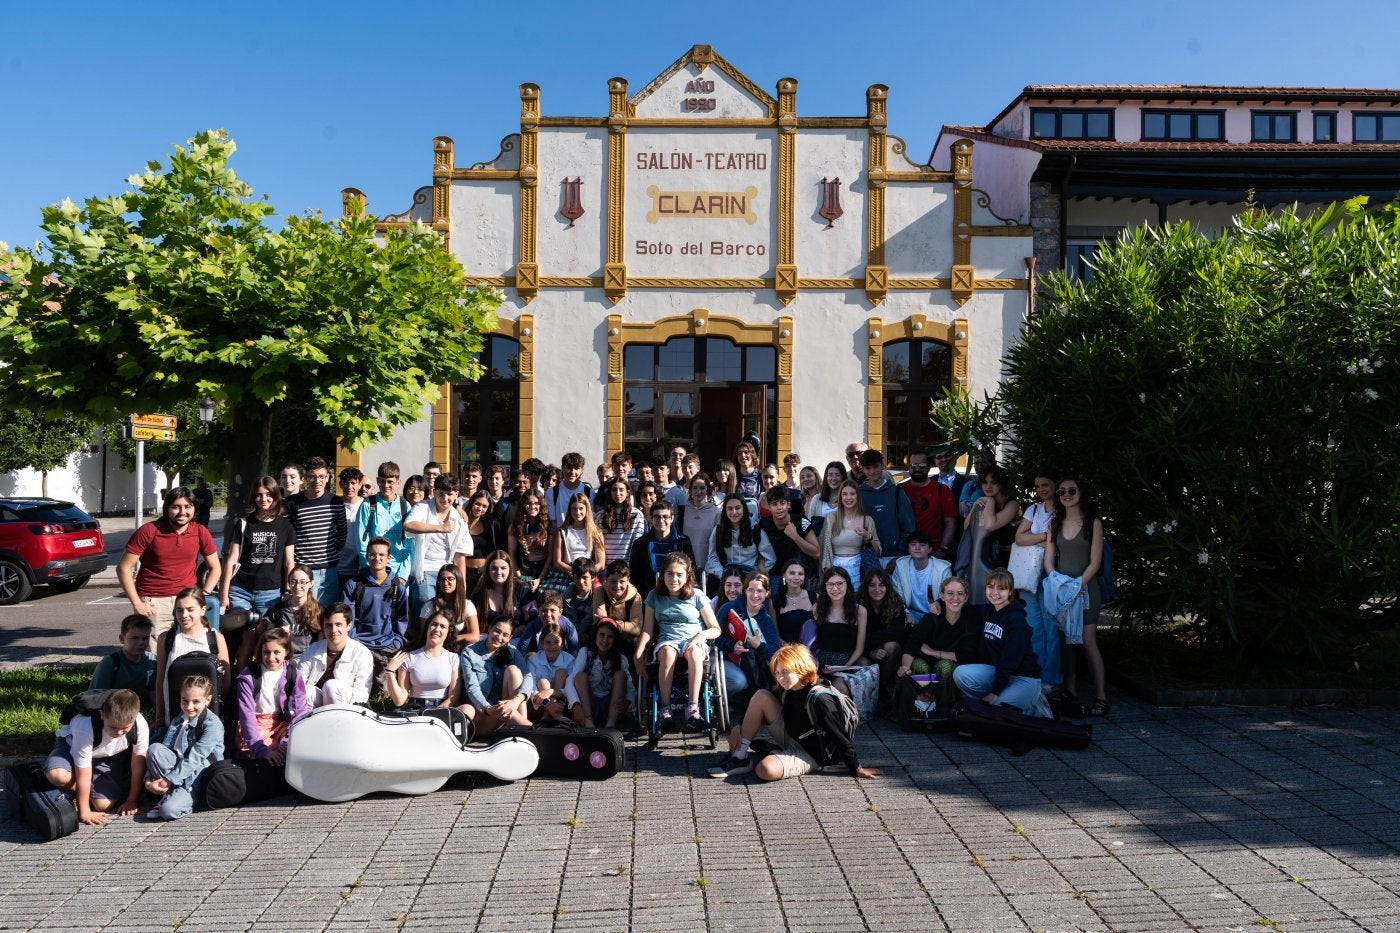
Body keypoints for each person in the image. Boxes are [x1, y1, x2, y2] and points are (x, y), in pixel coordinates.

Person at [708, 644, 878, 781]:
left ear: (800, 667)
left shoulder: (821, 699)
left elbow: (840, 735)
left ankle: (777, 753)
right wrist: (739, 726)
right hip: (792, 733)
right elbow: (761, 704)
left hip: (812, 752)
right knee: (761, 695)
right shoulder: (787, 687)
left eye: (785, 671)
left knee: (764, 770)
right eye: (777, 673)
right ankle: (740, 756)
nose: (781, 677)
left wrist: (855, 767)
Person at [118, 487, 222, 639]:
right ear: (167, 508)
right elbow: (123, 568)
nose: (182, 512)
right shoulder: (149, 531)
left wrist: (203, 595)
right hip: (154, 603)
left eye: (188, 507)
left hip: (188, 600)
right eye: (176, 507)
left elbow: (215, 568)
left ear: (194, 508)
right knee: (155, 656)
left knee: (187, 653)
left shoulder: (200, 531)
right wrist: (137, 603)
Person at [636, 551, 721, 733]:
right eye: (670, 573)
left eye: (679, 574)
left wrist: (701, 636)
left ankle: (693, 709)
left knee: (695, 651)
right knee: (667, 652)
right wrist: (637, 654)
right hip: (667, 641)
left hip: (694, 640)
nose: (674, 578)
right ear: (663, 574)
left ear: (687, 576)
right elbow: (647, 630)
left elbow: (716, 628)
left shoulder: (697, 595)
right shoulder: (654, 596)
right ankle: (665, 710)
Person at [1044, 475, 1107, 716]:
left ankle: (1101, 695)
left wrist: (1078, 584)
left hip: (1086, 588)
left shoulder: (1093, 523)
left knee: (1088, 641)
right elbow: (1049, 561)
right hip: (1062, 589)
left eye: (1072, 490)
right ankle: (1070, 690)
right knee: (1066, 643)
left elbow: (1095, 562)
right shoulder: (1054, 523)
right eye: (1061, 492)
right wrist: (1058, 582)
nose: (1067, 495)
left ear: (1081, 493)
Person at [950, 569, 1046, 717]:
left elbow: (1010, 660)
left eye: (1001, 588)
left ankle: (1032, 706)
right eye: (990, 587)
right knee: (960, 674)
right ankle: (1004, 700)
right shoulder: (989, 610)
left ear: (1010, 592)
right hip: (1000, 672)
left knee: (997, 713)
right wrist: (939, 602)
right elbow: (964, 608)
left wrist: (995, 692)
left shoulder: (1016, 621)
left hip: (1024, 678)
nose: (994, 592)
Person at [44, 688, 148, 825]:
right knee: (58, 775)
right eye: (113, 727)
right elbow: (83, 773)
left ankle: (95, 787)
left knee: (102, 805)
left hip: (108, 756)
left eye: (125, 728)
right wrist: (84, 812)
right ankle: (53, 767)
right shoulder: (85, 726)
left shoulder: (140, 724)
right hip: (71, 747)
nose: (119, 732)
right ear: (102, 715)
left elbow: (138, 764)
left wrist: (132, 800)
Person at [142, 674, 224, 821]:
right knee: (154, 749)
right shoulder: (179, 719)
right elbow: (166, 748)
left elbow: (195, 758)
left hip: (198, 776)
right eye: (184, 701)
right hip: (176, 772)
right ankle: (170, 794)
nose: (189, 707)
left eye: (196, 702)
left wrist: (168, 780)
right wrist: (148, 780)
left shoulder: (213, 724)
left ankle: (185, 798)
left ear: (208, 700)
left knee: (167, 811)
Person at [153, 588, 231, 729]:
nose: (184, 615)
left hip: (209, 720)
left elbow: (226, 681)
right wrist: (159, 717)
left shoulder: (215, 638)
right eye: (179, 610)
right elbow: (160, 680)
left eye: (190, 610)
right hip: (174, 717)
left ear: (202, 610)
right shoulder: (166, 639)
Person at [897, 576, 976, 713]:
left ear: (966, 597)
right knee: (919, 665)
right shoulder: (931, 618)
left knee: (945, 666)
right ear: (942, 596)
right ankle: (922, 710)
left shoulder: (971, 618)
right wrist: (905, 667)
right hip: (926, 664)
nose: (955, 598)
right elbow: (912, 645)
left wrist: (932, 652)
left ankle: (944, 710)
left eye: (960, 594)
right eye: (950, 593)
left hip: (950, 667)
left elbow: (966, 655)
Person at [219, 476, 295, 616]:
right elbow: (231, 560)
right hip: (240, 591)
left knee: (266, 634)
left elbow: (289, 562)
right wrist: (223, 594)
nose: (263, 499)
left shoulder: (286, 526)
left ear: (275, 496)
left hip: (271, 592)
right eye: (259, 495)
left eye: (268, 494)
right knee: (245, 633)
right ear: (253, 497)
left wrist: (289, 589)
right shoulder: (243, 524)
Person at [1015, 468, 1061, 691]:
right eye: (1038, 486)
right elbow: (1019, 538)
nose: (1042, 489)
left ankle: (1051, 678)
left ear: (1055, 485)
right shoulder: (1033, 509)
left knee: (1051, 626)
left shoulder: (1064, 511)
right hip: (1028, 573)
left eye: (1046, 484)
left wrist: (1033, 540)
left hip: (1052, 572)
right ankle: (1036, 675)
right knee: (1033, 626)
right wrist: (1046, 537)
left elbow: (1062, 542)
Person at [342, 536, 410, 686]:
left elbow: (402, 618)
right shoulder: (353, 585)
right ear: (366, 557)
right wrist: (354, 642)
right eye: (372, 554)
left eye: (381, 555)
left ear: (388, 558)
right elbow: (348, 617)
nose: (377, 558)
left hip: (386, 644)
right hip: (359, 643)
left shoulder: (397, 587)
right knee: (357, 687)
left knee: (384, 692)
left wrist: (397, 641)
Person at [233, 626, 307, 762]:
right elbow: (246, 716)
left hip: (280, 722)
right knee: (264, 750)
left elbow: (300, 711)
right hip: (256, 724)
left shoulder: (293, 673)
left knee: (296, 744)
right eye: (266, 652)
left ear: (287, 651)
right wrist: (262, 750)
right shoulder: (249, 676)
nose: (271, 658)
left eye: (277, 652)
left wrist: (286, 744)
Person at [404, 474, 472, 618]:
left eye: (450, 494)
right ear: (434, 491)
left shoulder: (459, 519)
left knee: (446, 611)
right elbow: (409, 525)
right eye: (441, 493)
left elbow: (460, 557)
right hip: (425, 569)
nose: (445, 498)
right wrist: (440, 528)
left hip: (448, 571)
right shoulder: (423, 507)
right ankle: (420, 638)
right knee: (425, 605)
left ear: (456, 495)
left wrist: (462, 585)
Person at [236, 563, 322, 670]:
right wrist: (279, 635)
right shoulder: (278, 610)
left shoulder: (319, 611)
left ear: (311, 583)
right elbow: (266, 639)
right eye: (293, 582)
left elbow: (321, 644)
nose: (297, 586)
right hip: (283, 659)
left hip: (308, 660)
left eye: (303, 582)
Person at [286, 456, 347, 607]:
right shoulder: (293, 502)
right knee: (303, 615)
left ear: (327, 478)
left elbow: (342, 532)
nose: (317, 481)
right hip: (302, 570)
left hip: (329, 570)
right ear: (306, 478)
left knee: (327, 615)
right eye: (312, 477)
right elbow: (287, 535)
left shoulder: (336, 502)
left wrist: (332, 551)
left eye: (321, 476)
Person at [458, 617, 533, 739]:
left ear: (510, 638)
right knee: (506, 710)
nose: (499, 637)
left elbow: (528, 676)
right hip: (483, 714)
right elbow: (472, 688)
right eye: (497, 631)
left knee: (513, 670)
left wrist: (516, 701)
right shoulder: (469, 652)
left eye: (505, 635)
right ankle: (530, 732)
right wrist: (488, 709)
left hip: (506, 710)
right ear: (489, 628)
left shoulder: (512, 651)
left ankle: (522, 728)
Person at [715, 570, 780, 700]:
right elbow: (714, 638)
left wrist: (759, 645)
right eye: (750, 590)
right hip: (727, 659)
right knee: (739, 681)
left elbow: (774, 650)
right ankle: (728, 701)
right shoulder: (728, 608)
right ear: (744, 591)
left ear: (766, 593)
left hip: (753, 666)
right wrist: (732, 646)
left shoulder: (765, 619)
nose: (755, 595)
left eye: (760, 591)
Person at [297, 602, 374, 707]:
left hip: (347, 708)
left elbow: (361, 695)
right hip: (316, 708)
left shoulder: (362, 653)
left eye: (338, 624)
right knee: (306, 691)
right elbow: (298, 683)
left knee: (332, 687)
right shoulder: (313, 650)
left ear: (349, 625)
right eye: (328, 625)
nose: (333, 630)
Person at [384, 611, 462, 710]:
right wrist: (389, 672)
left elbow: (453, 699)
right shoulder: (409, 657)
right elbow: (399, 700)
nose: (437, 629)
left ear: (448, 632)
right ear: (427, 628)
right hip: (415, 709)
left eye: (442, 626)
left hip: (442, 710)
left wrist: (433, 714)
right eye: (434, 624)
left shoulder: (453, 658)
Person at [959, 465, 1021, 577]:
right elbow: (967, 528)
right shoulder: (983, 502)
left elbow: (990, 525)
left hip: (1011, 559)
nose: (988, 486)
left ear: (1001, 484)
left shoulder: (1012, 504)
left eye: (993, 482)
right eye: (985, 482)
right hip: (988, 557)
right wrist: (974, 507)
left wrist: (990, 501)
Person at [566, 618, 629, 729]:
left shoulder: (621, 658)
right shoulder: (585, 652)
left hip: (610, 705)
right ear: (595, 635)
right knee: (580, 676)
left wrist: (627, 702)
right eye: (602, 635)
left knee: (620, 675)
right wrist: (575, 705)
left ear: (615, 639)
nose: (605, 640)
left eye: (609, 637)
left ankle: (610, 725)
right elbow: (571, 680)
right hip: (590, 703)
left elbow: (630, 687)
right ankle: (588, 721)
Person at [356, 461, 413, 580]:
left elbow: (409, 544)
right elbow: (362, 541)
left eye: (390, 482)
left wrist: (403, 576)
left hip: (397, 570)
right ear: (377, 480)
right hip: (373, 570)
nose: (385, 485)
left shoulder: (405, 505)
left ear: (398, 482)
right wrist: (372, 569)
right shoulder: (368, 505)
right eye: (382, 481)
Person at [819, 481, 879, 592]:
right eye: (844, 494)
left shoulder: (867, 520)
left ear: (858, 496)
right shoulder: (832, 517)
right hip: (835, 568)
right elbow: (825, 549)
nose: (848, 497)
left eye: (852, 494)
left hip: (859, 570)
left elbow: (878, 552)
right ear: (840, 497)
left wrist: (868, 536)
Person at [811, 567, 870, 680]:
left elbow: (859, 648)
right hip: (824, 662)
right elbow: (815, 643)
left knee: (841, 686)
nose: (835, 588)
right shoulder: (817, 609)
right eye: (830, 584)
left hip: (849, 661)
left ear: (847, 585)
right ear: (825, 586)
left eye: (839, 584)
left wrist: (844, 667)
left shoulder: (860, 611)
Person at [628, 499, 694, 597]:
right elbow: (635, 574)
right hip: (649, 596)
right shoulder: (640, 543)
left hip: (677, 595)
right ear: (651, 518)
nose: (661, 521)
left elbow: (691, 570)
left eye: (665, 517)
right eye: (657, 517)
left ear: (672, 518)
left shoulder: (683, 541)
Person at [757, 486, 818, 592]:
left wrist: (795, 536)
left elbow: (816, 552)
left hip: (797, 575)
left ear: (788, 504)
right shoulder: (763, 524)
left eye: (782, 502)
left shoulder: (801, 521)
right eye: (774, 504)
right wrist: (760, 565)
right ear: (769, 507)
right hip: (773, 575)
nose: (779, 507)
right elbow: (761, 550)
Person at [900, 450, 956, 563]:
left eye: (922, 466)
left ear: (929, 467)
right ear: (909, 467)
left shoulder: (942, 490)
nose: (917, 469)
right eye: (913, 466)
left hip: (934, 554)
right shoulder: (899, 490)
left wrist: (943, 549)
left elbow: (951, 522)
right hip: (904, 554)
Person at [706, 493, 776, 583]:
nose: (734, 512)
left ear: (743, 508)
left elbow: (770, 557)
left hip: (750, 578)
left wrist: (756, 575)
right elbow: (712, 557)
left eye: (738, 508)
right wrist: (723, 576)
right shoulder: (718, 530)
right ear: (725, 511)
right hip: (728, 577)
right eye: (730, 509)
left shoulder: (755, 530)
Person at [858, 449, 915, 558]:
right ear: (863, 470)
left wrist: (900, 554)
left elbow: (908, 528)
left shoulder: (896, 492)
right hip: (866, 556)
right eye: (868, 468)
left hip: (894, 556)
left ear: (882, 465)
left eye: (875, 466)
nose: (872, 471)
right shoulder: (857, 494)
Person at [888, 530, 952, 627]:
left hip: (935, 615)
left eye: (922, 545)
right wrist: (906, 613)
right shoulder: (901, 566)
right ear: (908, 549)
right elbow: (897, 596)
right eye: (913, 544)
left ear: (930, 549)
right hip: (910, 612)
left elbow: (947, 599)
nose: (917, 548)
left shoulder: (942, 569)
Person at [545, 493, 606, 594]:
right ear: (569, 510)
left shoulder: (596, 532)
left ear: (587, 510)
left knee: (599, 594)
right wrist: (575, 572)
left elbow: (601, 563)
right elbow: (557, 562)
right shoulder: (562, 532)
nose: (578, 512)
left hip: (589, 574)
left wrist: (586, 573)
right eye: (574, 509)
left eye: (581, 508)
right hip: (567, 573)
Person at [860, 567, 910, 685]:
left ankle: (882, 687)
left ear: (887, 587)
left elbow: (897, 632)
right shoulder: (859, 603)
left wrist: (868, 638)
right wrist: (870, 651)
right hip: (865, 649)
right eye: (872, 585)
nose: (877, 589)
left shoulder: (895, 601)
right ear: (866, 587)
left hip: (890, 653)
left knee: (891, 646)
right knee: (862, 662)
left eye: (881, 585)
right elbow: (853, 634)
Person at [471, 550, 537, 637]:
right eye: (494, 568)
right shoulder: (479, 591)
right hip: (487, 638)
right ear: (487, 570)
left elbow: (533, 619)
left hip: (517, 638)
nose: (498, 572)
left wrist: (515, 632)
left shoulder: (521, 588)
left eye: (503, 568)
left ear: (510, 569)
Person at [89, 614, 156, 695]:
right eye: (135, 638)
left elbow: (154, 692)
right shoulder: (109, 663)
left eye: (145, 638)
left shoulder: (152, 660)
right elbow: (93, 697)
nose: (141, 642)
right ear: (122, 639)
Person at [677, 473, 722, 593]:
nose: (698, 491)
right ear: (690, 489)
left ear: (708, 489)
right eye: (695, 488)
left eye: (702, 488)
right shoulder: (683, 511)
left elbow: (718, 542)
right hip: (686, 567)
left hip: (708, 568)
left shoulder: (716, 512)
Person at [524, 620, 574, 720]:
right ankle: (554, 716)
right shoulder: (533, 660)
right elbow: (531, 687)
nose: (552, 647)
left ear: (562, 644)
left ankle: (546, 717)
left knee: (561, 673)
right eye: (548, 642)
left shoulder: (570, 660)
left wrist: (551, 692)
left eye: (556, 642)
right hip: (538, 706)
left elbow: (570, 689)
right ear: (542, 644)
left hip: (562, 706)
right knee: (543, 682)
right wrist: (548, 703)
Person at [423, 564, 480, 648]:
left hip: (457, 647)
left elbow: (475, 636)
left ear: (458, 580)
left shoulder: (467, 605)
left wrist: (449, 639)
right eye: (442, 579)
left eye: (450, 579)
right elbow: (424, 634)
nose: (445, 583)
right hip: (434, 647)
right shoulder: (429, 605)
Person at [592, 559, 644, 651]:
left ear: (628, 580)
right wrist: (624, 626)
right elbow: (600, 620)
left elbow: (636, 628)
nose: (617, 586)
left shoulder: (635, 597)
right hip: (605, 637)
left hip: (626, 639)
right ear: (606, 580)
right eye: (613, 581)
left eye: (622, 581)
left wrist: (614, 624)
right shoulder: (600, 592)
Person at [463, 489, 506, 592]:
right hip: (465, 571)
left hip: (485, 572)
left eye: (484, 506)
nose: (480, 508)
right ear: (472, 502)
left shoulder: (491, 524)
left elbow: (497, 549)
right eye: (477, 504)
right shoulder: (462, 521)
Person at [595, 478, 646, 564]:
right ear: (610, 493)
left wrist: (628, 568)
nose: (618, 493)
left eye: (621, 490)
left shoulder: (636, 515)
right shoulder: (600, 516)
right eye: (614, 490)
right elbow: (599, 546)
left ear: (627, 492)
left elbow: (636, 544)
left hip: (627, 569)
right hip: (606, 569)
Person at [336, 467, 366, 589]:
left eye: (353, 483)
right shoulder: (334, 505)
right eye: (346, 483)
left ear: (359, 485)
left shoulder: (367, 505)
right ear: (340, 485)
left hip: (360, 567)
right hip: (337, 566)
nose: (349, 487)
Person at [772, 558, 814, 643]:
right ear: (784, 575)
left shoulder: (814, 597)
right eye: (792, 573)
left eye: (800, 574)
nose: (796, 577)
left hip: (811, 652)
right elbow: (776, 635)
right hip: (788, 652)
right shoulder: (775, 601)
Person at [548, 452, 592, 524]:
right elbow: (553, 523)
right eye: (569, 467)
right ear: (562, 468)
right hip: (561, 534)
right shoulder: (551, 493)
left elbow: (590, 519)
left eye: (576, 468)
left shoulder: (589, 493)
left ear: (582, 471)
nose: (572, 472)